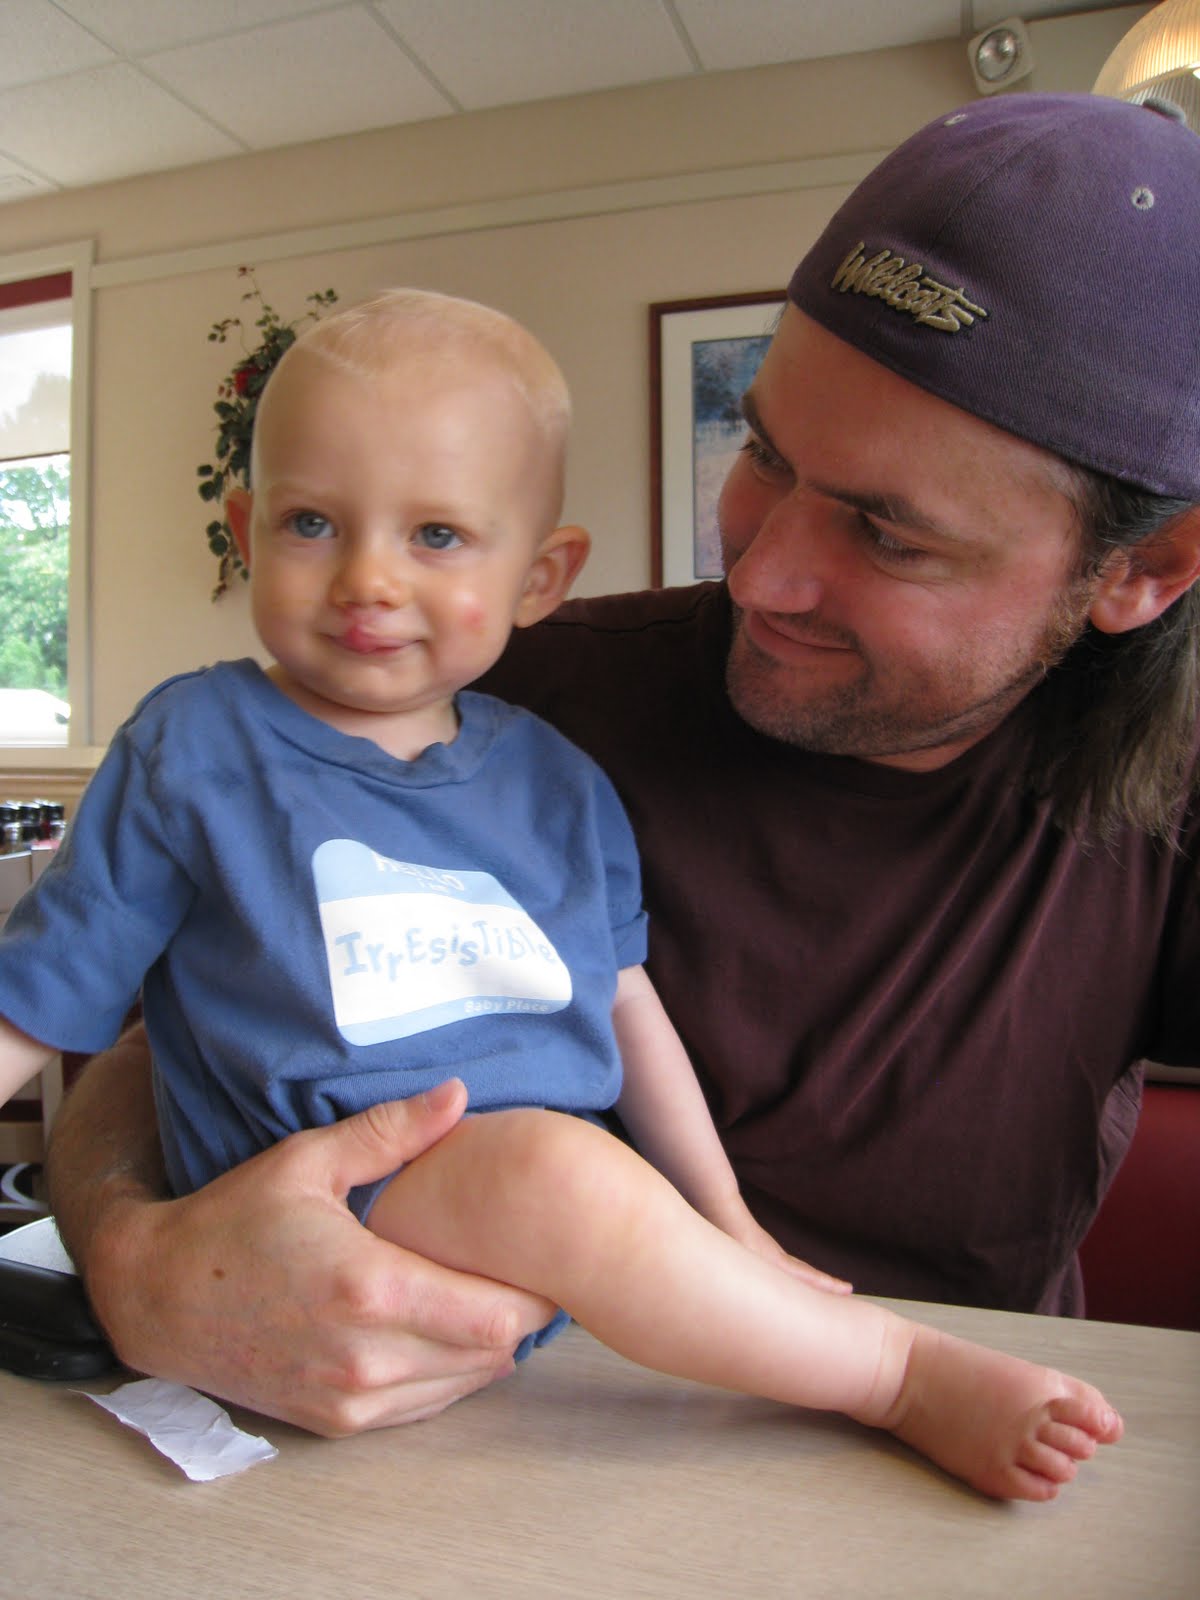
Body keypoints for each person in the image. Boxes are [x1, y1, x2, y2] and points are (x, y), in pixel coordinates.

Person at [47, 92, 1199, 1448]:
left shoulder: (1166, 813)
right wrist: (136, 1255)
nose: (756, 575)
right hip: (499, 1433)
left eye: (891, 536)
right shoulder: (501, 689)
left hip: (928, 1471)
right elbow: (168, 1020)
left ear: (1142, 573)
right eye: (763, 452)